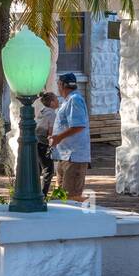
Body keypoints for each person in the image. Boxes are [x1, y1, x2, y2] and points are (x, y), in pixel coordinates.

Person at [48, 72, 90, 202]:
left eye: (58, 84)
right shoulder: (68, 100)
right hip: (65, 156)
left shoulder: (74, 99)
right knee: (60, 197)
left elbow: (78, 125)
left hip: (74, 156)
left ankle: (86, 218)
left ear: (62, 85)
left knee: (71, 197)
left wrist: (58, 138)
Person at [35, 92, 60, 198]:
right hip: (44, 143)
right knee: (48, 169)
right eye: (56, 99)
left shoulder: (42, 111)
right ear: (52, 103)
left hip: (36, 141)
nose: (58, 101)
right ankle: (43, 194)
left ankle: (36, 191)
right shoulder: (52, 114)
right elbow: (50, 131)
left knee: (39, 168)